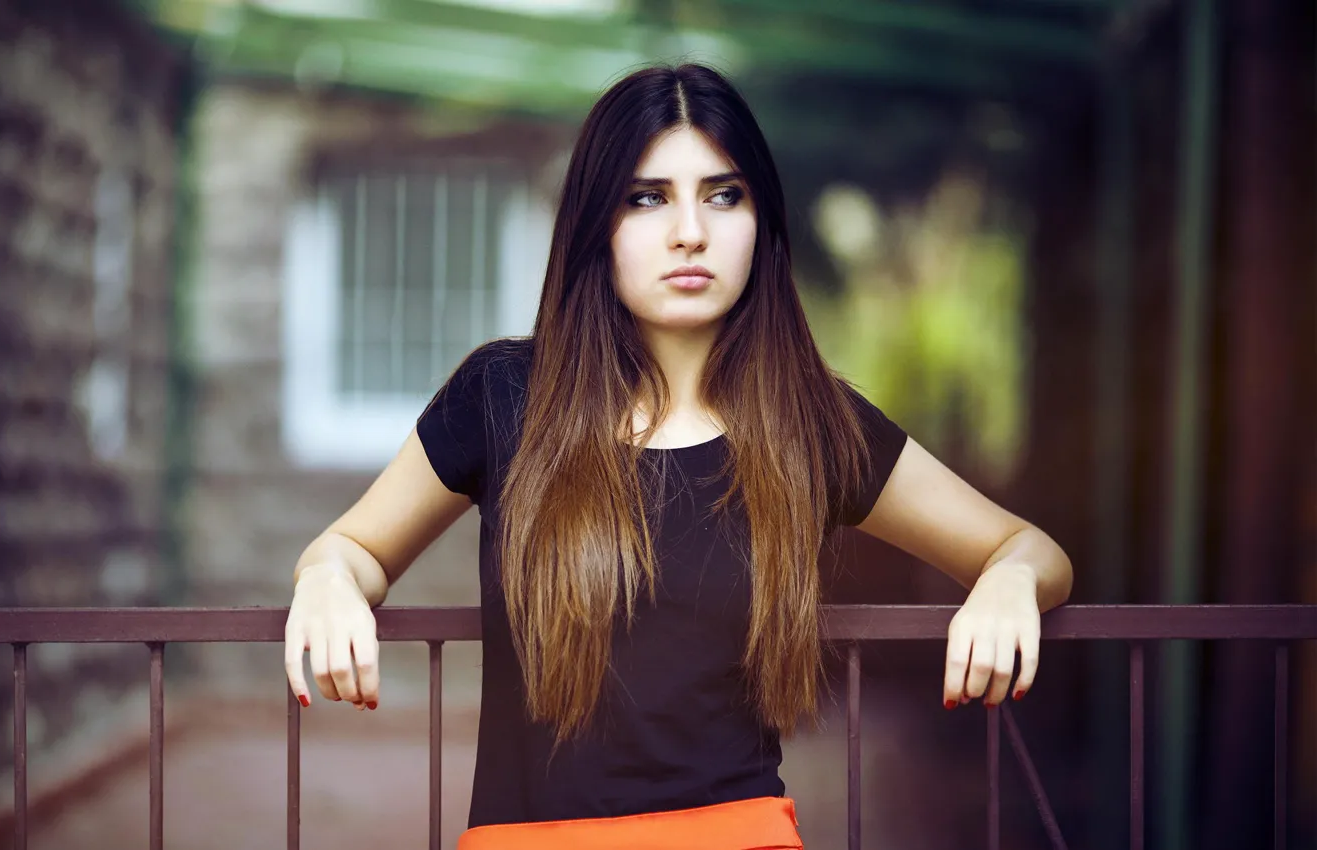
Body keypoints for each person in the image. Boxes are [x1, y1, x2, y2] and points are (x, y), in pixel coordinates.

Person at [283, 63, 1072, 849]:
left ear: (761, 220)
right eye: (648, 196)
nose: (690, 230)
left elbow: (1028, 547)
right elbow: (352, 547)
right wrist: (324, 580)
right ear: (598, 222)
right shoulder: (504, 396)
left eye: (724, 195)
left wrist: (1008, 582)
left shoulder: (811, 421)